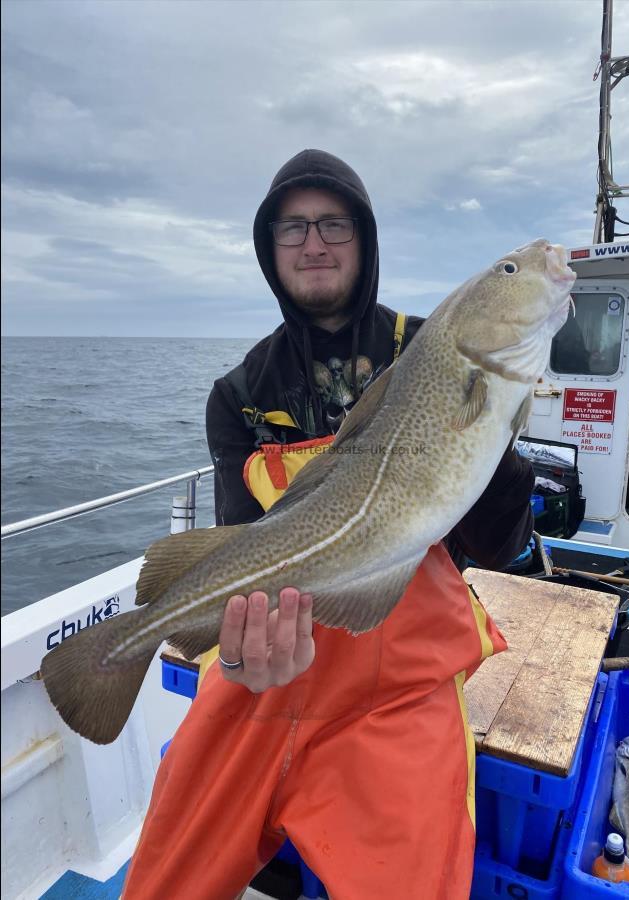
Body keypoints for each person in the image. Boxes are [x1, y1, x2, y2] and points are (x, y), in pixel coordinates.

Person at [122, 149, 534, 900]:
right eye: (292, 227)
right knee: (161, 881)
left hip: (398, 690)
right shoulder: (239, 394)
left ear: (365, 238)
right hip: (262, 680)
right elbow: (241, 543)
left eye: (334, 223)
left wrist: (489, 439)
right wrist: (243, 661)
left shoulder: (430, 347)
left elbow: (495, 550)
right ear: (269, 248)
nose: (314, 242)